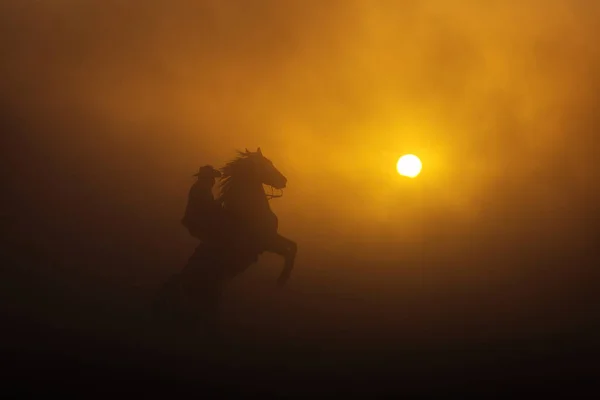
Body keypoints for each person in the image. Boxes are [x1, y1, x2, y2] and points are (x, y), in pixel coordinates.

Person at [181, 165, 222, 242]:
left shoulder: (202, 188)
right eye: (211, 178)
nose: (213, 181)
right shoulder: (200, 189)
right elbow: (207, 207)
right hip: (197, 222)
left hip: (198, 221)